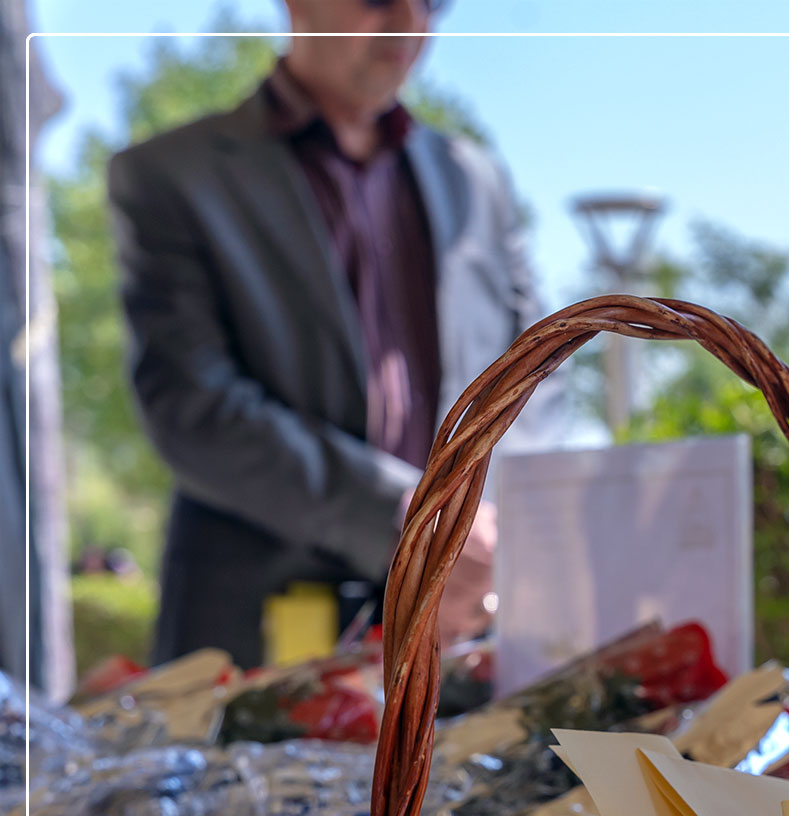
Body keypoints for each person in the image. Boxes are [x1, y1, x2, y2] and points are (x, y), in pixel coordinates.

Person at [109, 0, 531, 666]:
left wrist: (488, 530)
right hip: (257, 646)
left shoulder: (476, 180)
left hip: (464, 628)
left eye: (432, 2)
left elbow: (537, 372)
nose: (411, 22)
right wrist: (405, 519)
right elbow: (192, 405)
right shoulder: (170, 175)